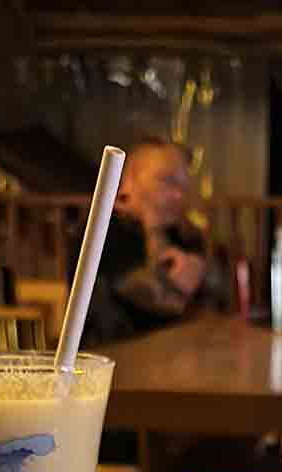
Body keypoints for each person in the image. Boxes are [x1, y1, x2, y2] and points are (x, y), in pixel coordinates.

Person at [76, 138, 213, 344]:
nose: (178, 195)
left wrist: (203, 273)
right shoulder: (103, 227)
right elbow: (152, 298)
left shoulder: (183, 234)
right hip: (111, 359)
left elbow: (219, 297)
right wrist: (152, 228)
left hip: (175, 358)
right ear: (128, 181)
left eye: (184, 187)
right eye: (167, 181)